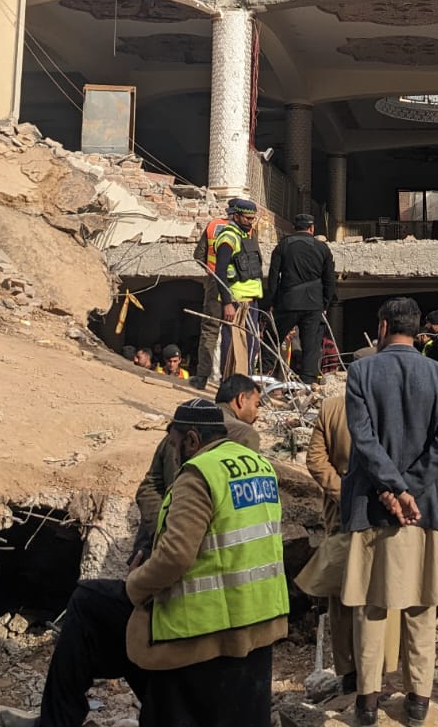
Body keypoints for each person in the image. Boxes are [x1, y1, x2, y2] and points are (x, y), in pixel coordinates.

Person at [0, 399, 289, 727]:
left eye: (175, 445)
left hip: (201, 622)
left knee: (87, 600)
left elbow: (176, 556)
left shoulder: (199, 474)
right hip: (258, 618)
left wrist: (135, 585)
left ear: (192, 440)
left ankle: (55, 722)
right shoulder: (259, 466)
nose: (174, 454)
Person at [341, 297, 438, 727]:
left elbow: (363, 438)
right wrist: (409, 490)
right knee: (422, 607)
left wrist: (392, 489)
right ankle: (418, 701)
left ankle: (368, 703)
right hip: (426, 509)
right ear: (419, 331)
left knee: (371, 607)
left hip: (374, 508)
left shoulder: (361, 371)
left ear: (384, 325)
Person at [132, 374, 263, 559]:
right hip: (201, 552)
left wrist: (162, 528)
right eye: (257, 405)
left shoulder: (183, 423)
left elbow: (150, 486)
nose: (257, 414)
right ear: (242, 399)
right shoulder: (244, 435)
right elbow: (240, 503)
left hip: (154, 545)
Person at [306, 391, 358, 693]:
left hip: (340, 513)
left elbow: (315, 459)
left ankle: (350, 669)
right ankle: (373, 668)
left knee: (341, 593)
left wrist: (341, 491)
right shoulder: (389, 401)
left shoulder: (332, 407)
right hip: (380, 511)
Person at [196, 197, 265, 387]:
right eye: (248, 218)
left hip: (231, 289)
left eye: (253, 219)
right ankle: (224, 380)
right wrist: (222, 281)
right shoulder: (232, 235)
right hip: (226, 289)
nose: (251, 222)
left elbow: (199, 255)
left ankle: (205, 377)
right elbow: (222, 268)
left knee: (218, 333)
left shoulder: (216, 226)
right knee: (226, 337)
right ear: (235, 215)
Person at [264, 211, 337, 383]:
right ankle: (307, 384)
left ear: (294, 228)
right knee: (311, 347)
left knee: (271, 339)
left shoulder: (283, 246)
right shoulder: (322, 248)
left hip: (287, 303)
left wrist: (273, 302)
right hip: (313, 305)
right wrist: (324, 305)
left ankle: (266, 378)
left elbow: (273, 278)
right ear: (312, 228)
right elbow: (330, 281)